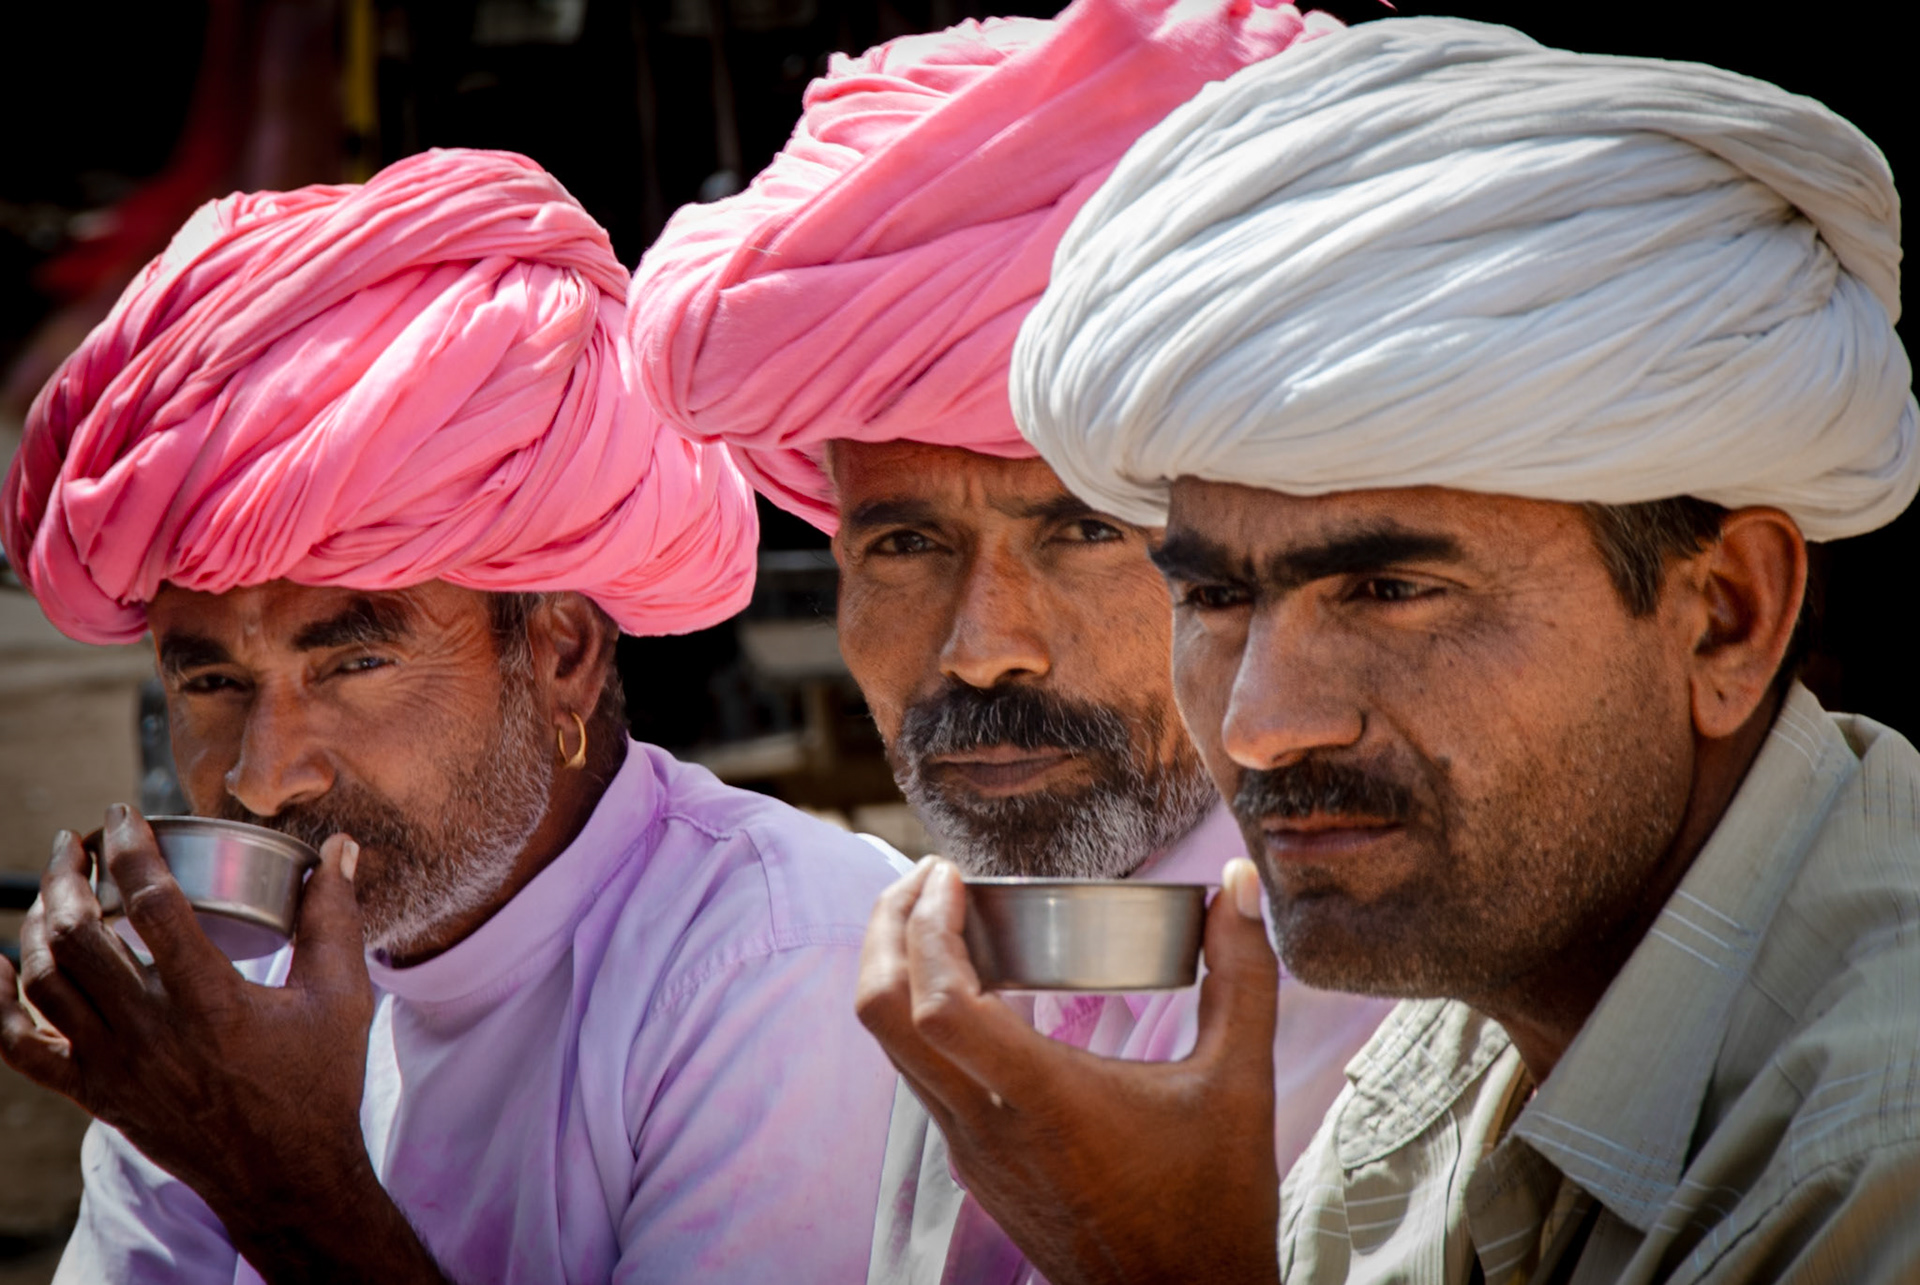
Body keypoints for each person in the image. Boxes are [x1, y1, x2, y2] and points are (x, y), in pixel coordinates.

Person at [859, 17, 1920, 1285]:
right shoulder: (1470, 1014)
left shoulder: (1875, 1149)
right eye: (1215, 599)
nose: (1259, 726)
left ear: (1725, 617)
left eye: (1389, 590)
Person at [0, 148, 907, 1284]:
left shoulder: (778, 955)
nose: (265, 776)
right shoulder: (221, 984)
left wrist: (277, 1177)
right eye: (213, 684)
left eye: (354, 664)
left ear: (562, 654)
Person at [624, 1, 1392, 1280]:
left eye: (1085, 533)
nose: (984, 651)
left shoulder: (1386, 977)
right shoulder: (939, 953)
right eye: (905, 546)